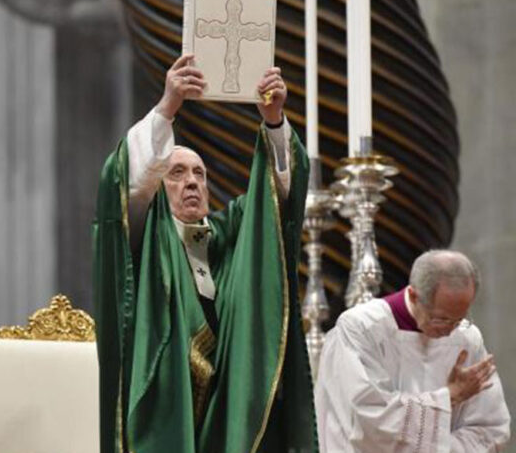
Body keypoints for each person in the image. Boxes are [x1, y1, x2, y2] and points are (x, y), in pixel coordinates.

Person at [92, 54, 316, 453]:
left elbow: (277, 204)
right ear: (156, 186)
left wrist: (273, 122)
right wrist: (168, 106)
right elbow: (124, 183)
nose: (192, 182)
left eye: (200, 174)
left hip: (226, 419)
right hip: (166, 420)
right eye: (176, 173)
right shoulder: (145, 237)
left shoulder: (231, 239)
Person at [315, 249, 511, 452]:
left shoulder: (466, 337)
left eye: (459, 319)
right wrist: (448, 398)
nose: (450, 330)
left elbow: (491, 429)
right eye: (441, 319)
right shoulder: (361, 329)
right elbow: (365, 418)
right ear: (413, 295)